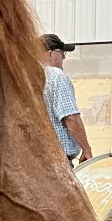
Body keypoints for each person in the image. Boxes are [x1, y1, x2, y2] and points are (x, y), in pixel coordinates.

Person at [41, 33, 91, 165]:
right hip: (57, 160)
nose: (64, 56)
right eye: (61, 52)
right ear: (49, 53)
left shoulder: (26, 78)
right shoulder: (55, 76)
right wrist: (86, 149)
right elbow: (70, 117)